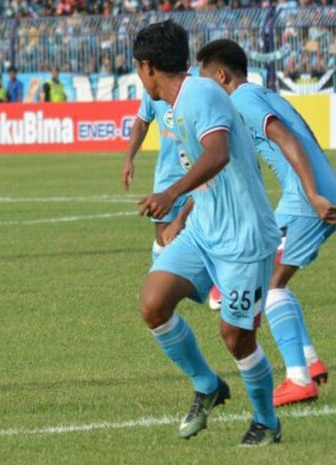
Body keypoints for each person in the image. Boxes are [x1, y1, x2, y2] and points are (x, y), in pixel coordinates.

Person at [134, 20, 282, 445]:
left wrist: (171, 194)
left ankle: (267, 421)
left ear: (146, 67)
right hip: (203, 230)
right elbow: (210, 169)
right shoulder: (180, 102)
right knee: (154, 303)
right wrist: (182, 217)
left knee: (236, 337)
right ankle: (207, 384)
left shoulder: (201, 94)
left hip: (243, 238)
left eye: (137, 70)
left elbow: (216, 154)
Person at [197, 39, 336, 407]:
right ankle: (308, 361)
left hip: (307, 199)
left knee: (268, 283)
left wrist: (312, 194)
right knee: (273, 279)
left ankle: (298, 379)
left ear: (222, 76)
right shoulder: (262, 93)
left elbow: (287, 138)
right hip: (312, 193)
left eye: (205, 80)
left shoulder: (242, 98)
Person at [121, 89, 191, 262]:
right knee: (163, 237)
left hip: (200, 174)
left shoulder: (199, 82)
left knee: (200, 237)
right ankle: (160, 278)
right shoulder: (154, 87)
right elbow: (142, 122)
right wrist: (129, 158)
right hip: (167, 176)